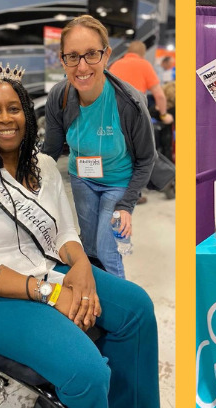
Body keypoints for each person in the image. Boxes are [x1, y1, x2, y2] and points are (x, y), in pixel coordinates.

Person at [0, 67, 159, 407]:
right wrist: (51, 293)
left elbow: (65, 232)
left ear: (27, 113)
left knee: (137, 308)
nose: (5, 118)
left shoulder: (43, 165)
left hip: (46, 270)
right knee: (86, 373)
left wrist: (81, 266)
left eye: (14, 108)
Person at [42, 15, 156, 280]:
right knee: (89, 249)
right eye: (72, 56)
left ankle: (121, 311)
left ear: (107, 55)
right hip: (82, 179)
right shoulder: (59, 97)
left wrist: (127, 205)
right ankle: (94, 302)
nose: (82, 66)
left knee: (108, 251)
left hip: (118, 183)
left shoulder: (129, 103)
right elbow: (51, 151)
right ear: (62, 60)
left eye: (91, 54)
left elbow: (147, 159)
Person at [107, 41, 170, 119]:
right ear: (143, 54)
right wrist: (163, 115)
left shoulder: (116, 64)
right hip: (135, 114)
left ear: (128, 51)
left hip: (114, 113)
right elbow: (159, 95)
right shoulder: (145, 65)